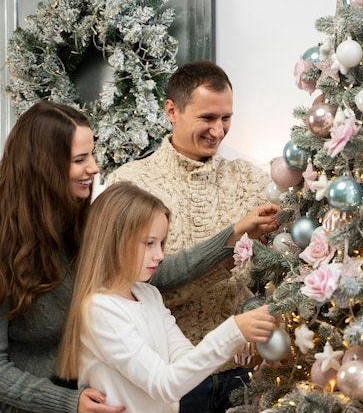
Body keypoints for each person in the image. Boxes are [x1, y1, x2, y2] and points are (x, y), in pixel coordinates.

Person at [0, 100, 278, 413]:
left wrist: (235, 235)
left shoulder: (83, 227)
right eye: (80, 160)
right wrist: (66, 402)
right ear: (43, 167)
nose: (94, 167)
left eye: (92, 154)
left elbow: (151, 274)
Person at [107, 60, 274, 412]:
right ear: (172, 111)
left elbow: (273, 274)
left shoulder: (249, 179)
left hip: (245, 376)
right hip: (169, 381)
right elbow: (145, 285)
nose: (219, 130)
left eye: (226, 117)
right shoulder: (132, 184)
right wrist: (232, 239)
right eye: (207, 118)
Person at [56, 181, 277, 413]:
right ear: (115, 241)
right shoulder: (100, 309)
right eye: (149, 244)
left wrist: (237, 341)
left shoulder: (147, 294)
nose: (160, 255)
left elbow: (184, 360)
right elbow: (165, 385)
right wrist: (233, 332)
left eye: (161, 243)